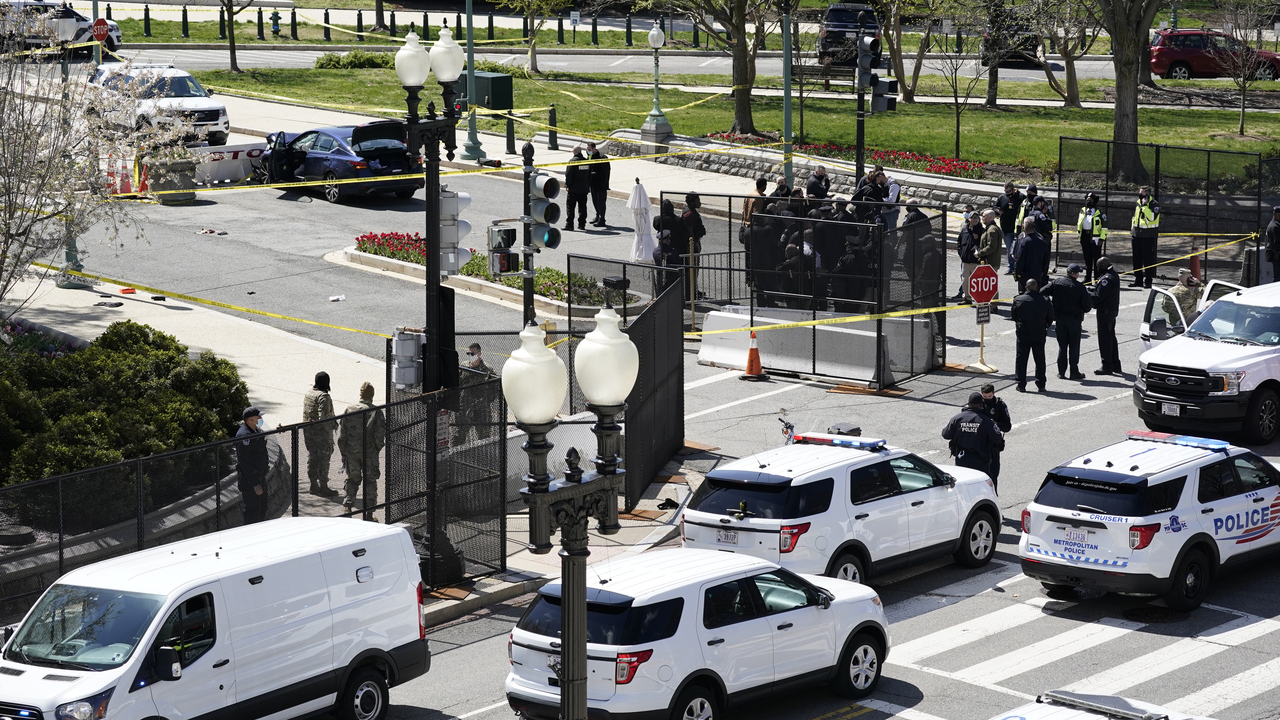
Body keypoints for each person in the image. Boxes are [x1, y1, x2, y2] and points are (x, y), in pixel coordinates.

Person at [338, 382, 386, 515]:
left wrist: (344, 452)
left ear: (360, 394)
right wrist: (376, 450)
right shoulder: (376, 412)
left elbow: (343, 435)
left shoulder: (349, 410)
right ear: (372, 395)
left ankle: (348, 506)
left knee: (353, 479)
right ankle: (369, 514)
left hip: (352, 453)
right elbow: (379, 436)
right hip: (369, 453)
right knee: (370, 481)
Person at [941, 392, 1006, 485]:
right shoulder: (986, 421)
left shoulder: (957, 418)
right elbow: (997, 438)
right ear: (981, 405)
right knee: (982, 485)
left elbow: (945, 434)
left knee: (963, 484)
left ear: (968, 404)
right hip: (981, 459)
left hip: (962, 458)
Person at [1043, 263, 1093, 380]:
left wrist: (1050, 306)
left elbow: (1042, 291)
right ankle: (1074, 371)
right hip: (1074, 320)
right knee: (1074, 346)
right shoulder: (1080, 287)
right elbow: (1087, 307)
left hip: (1060, 319)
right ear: (1074, 274)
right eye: (1078, 273)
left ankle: (1061, 372)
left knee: (1062, 346)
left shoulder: (1057, 282)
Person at [1011, 278, 1055, 392]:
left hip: (1023, 333)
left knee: (1021, 358)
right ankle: (1041, 384)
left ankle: (1021, 384)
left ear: (1026, 287)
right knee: (1040, 359)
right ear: (1037, 287)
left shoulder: (1018, 299)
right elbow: (1050, 317)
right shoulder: (1045, 300)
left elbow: (1014, 316)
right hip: (1039, 333)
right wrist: (1044, 325)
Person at [301, 371, 337, 496]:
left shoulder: (309, 394)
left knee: (312, 457)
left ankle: (313, 485)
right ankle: (324, 487)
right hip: (321, 434)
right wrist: (330, 433)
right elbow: (325, 419)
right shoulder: (324, 397)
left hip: (308, 433)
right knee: (324, 460)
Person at [235, 406, 270, 524]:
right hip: (250, 482)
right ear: (250, 419)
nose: (260, 418)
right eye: (258, 417)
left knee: (262, 509)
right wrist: (255, 484)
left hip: (260, 477)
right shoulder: (244, 436)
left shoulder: (256, 431)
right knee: (252, 513)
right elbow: (245, 463)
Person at [457, 344, 497, 444]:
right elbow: (457, 384)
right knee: (458, 436)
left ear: (479, 354)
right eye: (468, 353)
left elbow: (495, 388)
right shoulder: (464, 366)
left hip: (482, 409)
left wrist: (486, 400)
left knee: (484, 437)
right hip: (465, 407)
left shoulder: (487, 369)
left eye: (472, 353)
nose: (470, 356)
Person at [1090, 257, 1122, 375]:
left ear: (1103, 265)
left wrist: (1086, 294)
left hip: (1105, 311)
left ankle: (1107, 365)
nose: (1098, 269)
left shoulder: (1107, 279)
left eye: (1099, 266)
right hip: (1111, 311)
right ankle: (1115, 364)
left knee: (1105, 339)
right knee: (1111, 337)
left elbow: (1098, 297)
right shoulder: (1113, 275)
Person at [979, 383, 1011, 489]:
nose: (987, 399)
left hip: (993, 445)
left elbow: (1007, 426)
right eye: (985, 397)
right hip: (979, 444)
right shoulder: (977, 404)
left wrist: (994, 424)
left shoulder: (1000, 405)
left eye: (989, 396)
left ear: (994, 393)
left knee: (993, 475)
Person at [1130, 186, 1161, 288]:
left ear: (1147, 194)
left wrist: (1144, 207)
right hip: (1136, 234)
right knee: (1136, 259)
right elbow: (1136, 217)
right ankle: (1138, 280)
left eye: (1142, 193)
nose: (1140, 195)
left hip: (1147, 236)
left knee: (1148, 260)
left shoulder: (1154, 204)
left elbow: (1152, 218)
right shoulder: (1138, 202)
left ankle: (1148, 281)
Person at [1077, 192, 1107, 283]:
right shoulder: (1082, 210)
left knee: (1097, 260)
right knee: (1087, 259)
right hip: (1084, 237)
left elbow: (1104, 228)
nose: (1088, 200)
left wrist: (1102, 239)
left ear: (1094, 201)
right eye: (1087, 198)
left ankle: (1097, 279)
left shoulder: (1099, 213)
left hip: (1095, 238)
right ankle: (1088, 278)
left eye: (1090, 199)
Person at [1014, 216, 1049, 293]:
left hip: (1025, 273)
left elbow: (1019, 258)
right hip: (1038, 273)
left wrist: (1018, 272)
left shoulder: (1023, 242)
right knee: (1036, 292)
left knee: (1024, 293)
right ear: (1034, 229)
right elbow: (1046, 259)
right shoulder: (1042, 242)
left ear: (1024, 229)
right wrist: (1043, 271)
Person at [682, 193, 707, 301]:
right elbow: (689, 232)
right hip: (691, 246)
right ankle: (691, 292)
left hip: (695, 243)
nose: (700, 202)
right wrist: (692, 245)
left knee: (695, 269)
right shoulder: (689, 214)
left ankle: (694, 289)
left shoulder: (692, 212)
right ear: (692, 202)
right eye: (698, 200)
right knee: (692, 269)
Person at [954, 208, 981, 304]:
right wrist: (961, 254)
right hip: (965, 261)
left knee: (976, 282)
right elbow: (959, 242)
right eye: (973, 218)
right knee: (965, 281)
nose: (975, 219)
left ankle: (979, 299)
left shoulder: (981, 230)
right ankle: (967, 298)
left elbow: (983, 244)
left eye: (976, 218)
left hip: (976, 262)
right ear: (969, 219)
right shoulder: (964, 229)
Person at [996, 181, 1024, 273]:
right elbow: (995, 207)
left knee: (1018, 248)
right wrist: (997, 211)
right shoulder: (1001, 197)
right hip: (1006, 228)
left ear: (1013, 189)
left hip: (1018, 228)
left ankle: (1018, 267)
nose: (1007, 193)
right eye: (1005, 191)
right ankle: (1010, 267)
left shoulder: (1020, 197)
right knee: (1010, 249)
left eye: (1008, 191)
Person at [563, 146, 591, 231]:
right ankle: (582, 224)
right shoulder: (587, 162)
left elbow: (568, 175)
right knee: (582, 207)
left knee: (570, 207)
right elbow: (589, 175)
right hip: (583, 189)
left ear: (573, 152)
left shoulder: (572, 162)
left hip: (574, 189)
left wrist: (567, 185)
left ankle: (570, 224)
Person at [586, 141, 611, 227]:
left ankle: (602, 219)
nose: (588, 151)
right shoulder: (589, 157)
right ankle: (597, 216)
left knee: (601, 202)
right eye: (587, 149)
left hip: (601, 184)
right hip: (593, 184)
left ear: (594, 148)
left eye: (589, 149)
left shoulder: (602, 158)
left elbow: (605, 172)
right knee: (595, 201)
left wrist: (593, 174)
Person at [977, 208, 1004, 276]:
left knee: (988, 285)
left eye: (983, 216)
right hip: (989, 263)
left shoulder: (992, 230)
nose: (982, 218)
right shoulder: (990, 228)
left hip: (990, 263)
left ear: (989, 217)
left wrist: (979, 253)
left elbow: (991, 246)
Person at [1266, 206, 1280, 282]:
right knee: (1278, 277)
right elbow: (1275, 244)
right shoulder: (1274, 227)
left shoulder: (1276, 224)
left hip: (1277, 255)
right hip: (1277, 256)